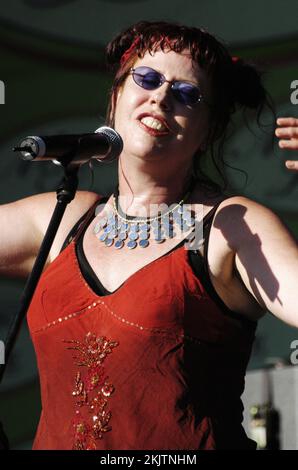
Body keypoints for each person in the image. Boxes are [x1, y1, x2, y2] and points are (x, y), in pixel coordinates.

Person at [1, 21, 298, 451]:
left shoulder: (230, 226)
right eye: (147, 79)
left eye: (186, 94)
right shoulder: (63, 217)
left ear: (208, 131)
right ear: (116, 98)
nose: (160, 97)